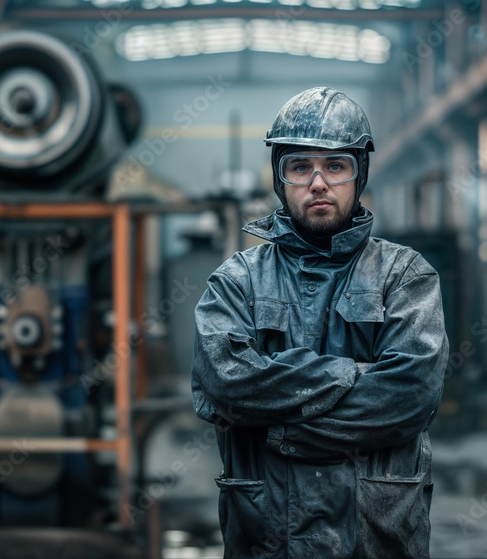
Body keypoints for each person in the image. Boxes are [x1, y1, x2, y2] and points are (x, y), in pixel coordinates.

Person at [191, 86, 449, 558]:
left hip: (375, 538)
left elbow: (410, 395)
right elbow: (226, 384)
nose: (318, 183)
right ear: (279, 178)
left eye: (335, 165)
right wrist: (351, 373)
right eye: (299, 166)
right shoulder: (236, 282)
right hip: (265, 539)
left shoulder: (405, 276)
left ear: (359, 175)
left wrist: (278, 429)